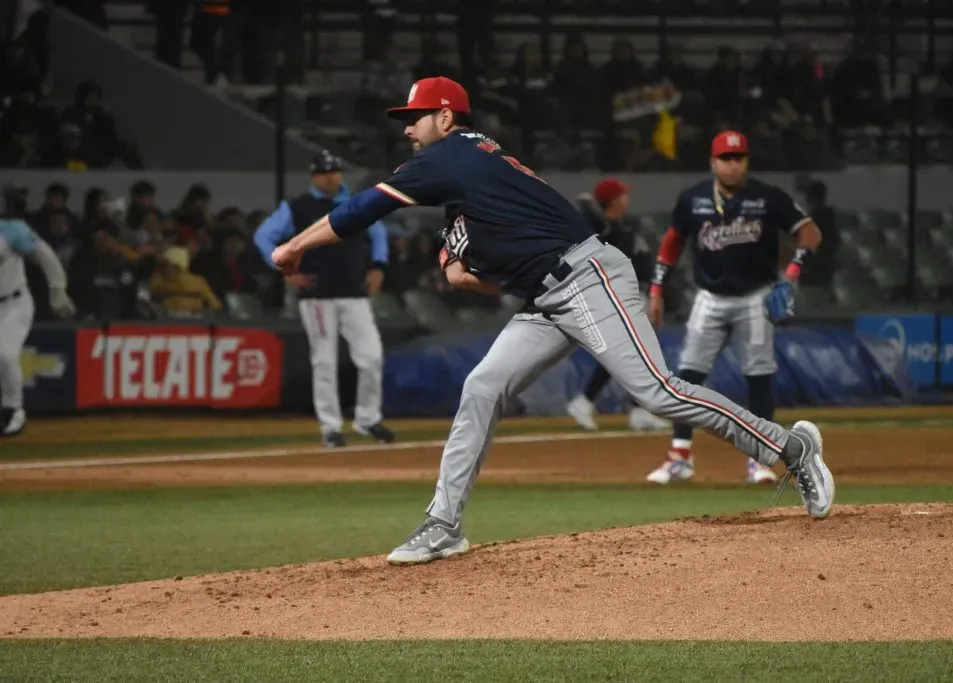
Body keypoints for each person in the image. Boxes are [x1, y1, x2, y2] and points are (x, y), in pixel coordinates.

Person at [269, 77, 835, 565]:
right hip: (545, 297)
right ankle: (443, 524)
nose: (407, 129)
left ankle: (789, 449)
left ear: (446, 117)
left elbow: (363, 208)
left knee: (658, 392)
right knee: (483, 384)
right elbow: (465, 268)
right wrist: (464, 258)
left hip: (588, 277)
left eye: (415, 117)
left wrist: (295, 246)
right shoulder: (469, 171)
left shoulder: (449, 155)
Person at [645, 131, 824, 486]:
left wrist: (792, 272)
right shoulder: (693, 199)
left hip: (756, 296)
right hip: (709, 297)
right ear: (712, 162)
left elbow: (810, 233)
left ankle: (761, 458)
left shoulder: (767, 197)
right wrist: (656, 289)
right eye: (725, 158)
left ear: (747, 161)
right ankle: (680, 456)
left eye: (738, 157)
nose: (732, 164)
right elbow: (672, 243)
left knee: (759, 374)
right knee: (687, 375)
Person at [254, 150, 395, 448]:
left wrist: (379, 265)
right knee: (324, 361)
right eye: (323, 172)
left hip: (355, 292)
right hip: (317, 295)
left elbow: (379, 233)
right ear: (313, 176)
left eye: (333, 171)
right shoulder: (298, 207)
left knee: (371, 357)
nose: (329, 176)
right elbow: (263, 237)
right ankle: (330, 427)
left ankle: (368, 419)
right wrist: (283, 269)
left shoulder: (356, 202)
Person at [565, 177, 669, 432]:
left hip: (637, 294)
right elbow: (593, 222)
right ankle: (587, 401)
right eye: (622, 195)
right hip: (620, 297)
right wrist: (588, 205)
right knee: (630, 354)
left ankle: (635, 409)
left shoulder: (622, 226)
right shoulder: (604, 229)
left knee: (636, 355)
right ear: (613, 201)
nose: (627, 199)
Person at [0, 185, 75, 437]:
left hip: (13, 303)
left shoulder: (12, 229)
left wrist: (58, 291)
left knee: (5, 354)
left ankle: (13, 411)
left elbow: (46, 257)